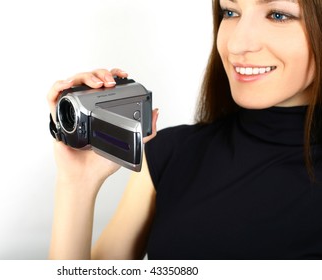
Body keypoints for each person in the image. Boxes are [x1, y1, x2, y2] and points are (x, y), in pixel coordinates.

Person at [47, 0, 322, 260]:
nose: (237, 44)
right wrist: (77, 182)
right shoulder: (169, 154)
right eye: (230, 12)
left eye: (278, 15)